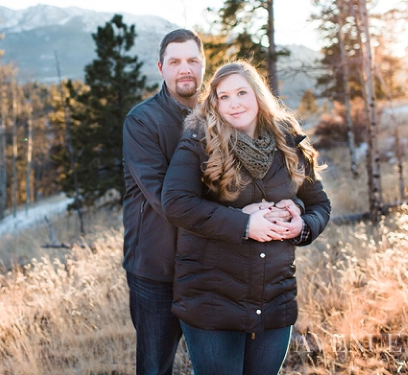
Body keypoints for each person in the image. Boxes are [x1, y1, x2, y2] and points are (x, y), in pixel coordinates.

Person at [122, 32, 296, 375]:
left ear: (203, 66)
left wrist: (284, 209)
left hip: (213, 267)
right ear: (161, 68)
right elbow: (166, 200)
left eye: (192, 61)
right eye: (174, 62)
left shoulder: (222, 113)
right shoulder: (142, 121)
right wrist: (242, 217)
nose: (184, 69)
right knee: (156, 366)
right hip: (157, 267)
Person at [161, 61, 331, 375]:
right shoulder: (199, 144)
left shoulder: (288, 143)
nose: (233, 103)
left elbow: (319, 204)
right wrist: (245, 224)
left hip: (273, 298)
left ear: (258, 94)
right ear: (214, 103)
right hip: (211, 300)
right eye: (223, 96)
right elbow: (176, 203)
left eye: (241, 92)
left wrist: (303, 225)